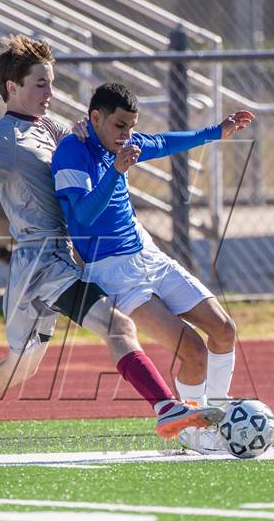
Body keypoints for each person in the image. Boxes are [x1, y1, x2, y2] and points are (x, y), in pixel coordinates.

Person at [0, 36, 223, 458]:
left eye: (50, 84)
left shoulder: (50, 127)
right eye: (40, 85)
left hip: (54, 262)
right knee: (118, 326)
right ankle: (167, 408)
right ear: (12, 88)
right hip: (41, 263)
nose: (49, 93)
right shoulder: (6, 137)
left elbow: (91, 139)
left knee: (19, 368)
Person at [51, 83, 255, 454]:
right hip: (112, 273)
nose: (126, 135)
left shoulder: (121, 143)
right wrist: (115, 172)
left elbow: (163, 142)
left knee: (224, 329)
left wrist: (216, 131)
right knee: (193, 352)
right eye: (119, 125)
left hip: (149, 255)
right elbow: (82, 219)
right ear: (94, 118)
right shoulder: (71, 152)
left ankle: (221, 416)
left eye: (131, 126)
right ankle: (193, 432)